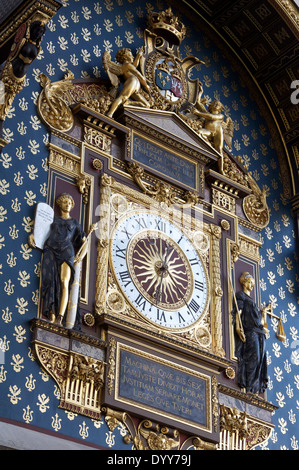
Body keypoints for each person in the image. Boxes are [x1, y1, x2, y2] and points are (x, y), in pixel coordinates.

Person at [29, 193, 86, 326]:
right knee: (49, 280)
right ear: (60, 204)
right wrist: (33, 235)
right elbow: (40, 231)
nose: (68, 205)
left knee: (64, 281)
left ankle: (60, 316)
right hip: (50, 249)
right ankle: (52, 314)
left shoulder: (75, 223)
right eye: (65, 202)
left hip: (67, 250)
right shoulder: (53, 220)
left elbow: (84, 243)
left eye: (70, 203)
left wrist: (80, 256)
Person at [231, 272, 271, 395]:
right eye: (250, 282)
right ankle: (250, 388)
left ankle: (255, 389)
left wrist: (263, 312)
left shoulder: (252, 301)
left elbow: (260, 321)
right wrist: (238, 327)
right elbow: (239, 312)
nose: (252, 285)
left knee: (260, 360)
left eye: (253, 283)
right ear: (244, 282)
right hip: (250, 332)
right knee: (254, 358)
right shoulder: (241, 295)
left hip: (260, 333)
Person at [103, 48, 151, 117]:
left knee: (147, 105)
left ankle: (128, 102)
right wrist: (146, 86)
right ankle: (110, 113)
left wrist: (139, 55)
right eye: (130, 55)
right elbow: (139, 75)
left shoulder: (128, 66)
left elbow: (134, 66)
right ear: (125, 57)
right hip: (132, 81)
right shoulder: (126, 65)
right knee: (122, 97)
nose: (132, 57)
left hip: (135, 87)